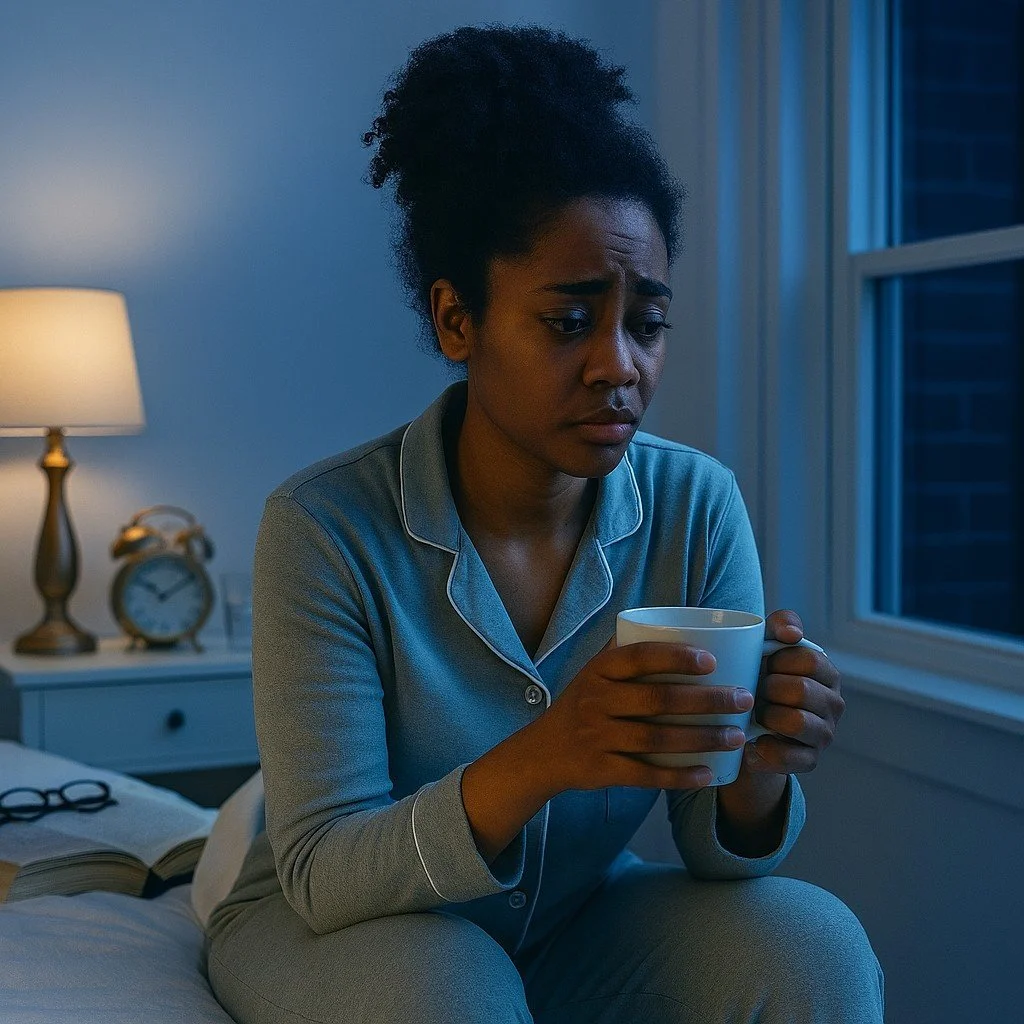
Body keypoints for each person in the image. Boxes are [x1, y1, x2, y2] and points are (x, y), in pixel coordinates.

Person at [205, 24, 884, 1024]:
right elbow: (322, 871)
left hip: (568, 916)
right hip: (335, 926)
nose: (621, 365)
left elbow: (711, 839)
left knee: (809, 942)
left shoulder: (695, 505)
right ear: (455, 320)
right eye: (569, 320)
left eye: (645, 320)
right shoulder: (326, 528)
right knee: (451, 988)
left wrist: (758, 768)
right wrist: (547, 752)